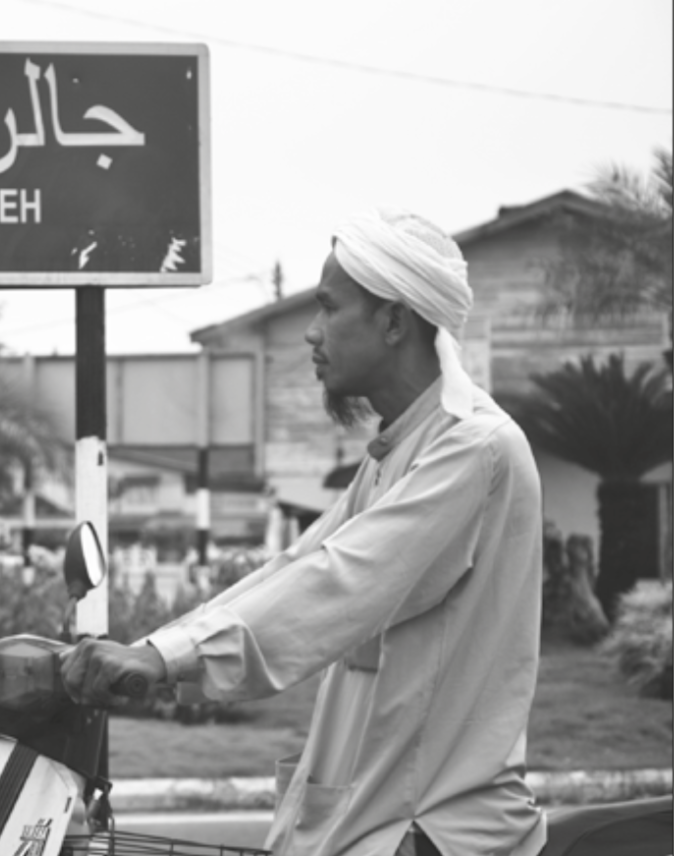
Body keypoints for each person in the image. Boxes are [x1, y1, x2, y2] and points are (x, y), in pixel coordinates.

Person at [61, 207, 547, 856]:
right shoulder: (400, 450)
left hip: (427, 833)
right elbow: (295, 566)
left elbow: (339, 582)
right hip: (374, 823)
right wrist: (158, 650)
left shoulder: (473, 449)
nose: (312, 334)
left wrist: (161, 658)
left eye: (328, 308)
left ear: (395, 321)